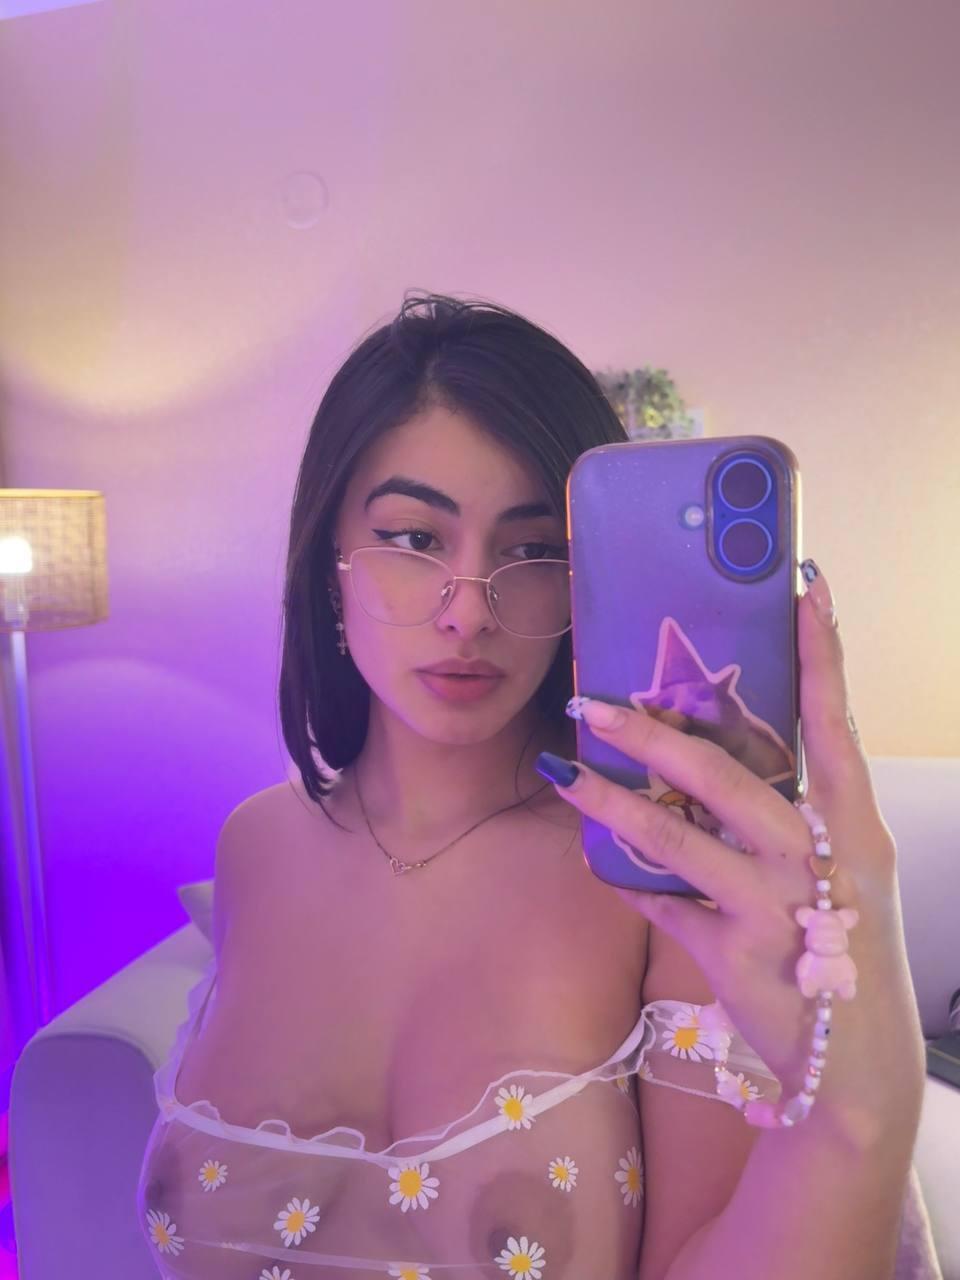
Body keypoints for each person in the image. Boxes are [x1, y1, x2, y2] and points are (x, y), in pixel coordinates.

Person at [137, 293, 929, 1279]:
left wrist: (863, 1105)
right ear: (328, 560)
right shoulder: (254, 846)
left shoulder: (652, 879)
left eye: (534, 549)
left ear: (587, 574)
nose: (469, 610)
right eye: (415, 537)